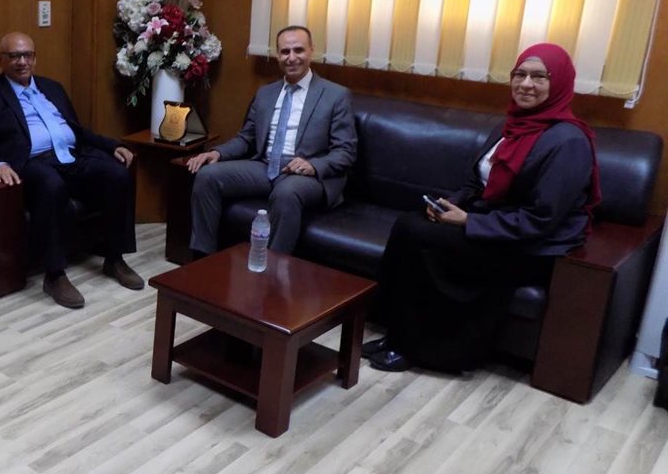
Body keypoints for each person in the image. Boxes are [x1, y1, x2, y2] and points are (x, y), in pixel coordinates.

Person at [365, 43, 601, 374]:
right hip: (495, 222)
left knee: (420, 235)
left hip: (530, 245)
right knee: (410, 223)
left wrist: (468, 222)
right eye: (520, 74)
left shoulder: (568, 142)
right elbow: (477, 183)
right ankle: (397, 332)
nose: (526, 84)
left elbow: (541, 219)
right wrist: (453, 204)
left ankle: (423, 349)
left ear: (560, 82)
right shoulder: (511, 126)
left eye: (539, 77)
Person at [0, 32, 142, 309]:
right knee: (51, 184)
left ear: (35, 58)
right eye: (14, 56)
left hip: (70, 156)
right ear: (0, 60)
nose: (22, 62)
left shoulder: (52, 87)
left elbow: (78, 131)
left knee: (117, 175)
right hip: (31, 163)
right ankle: (55, 274)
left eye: (27, 55)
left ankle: (114, 258)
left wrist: (112, 145)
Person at [187, 25, 357, 255]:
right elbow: (246, 138)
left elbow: (345, 152)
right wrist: (216, 153)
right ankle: (201, 257)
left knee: (286, 193)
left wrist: (313, 166)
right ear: (277, 55)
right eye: (285, 51)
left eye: (299, 50)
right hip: (265, 166)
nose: (292, 58)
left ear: (311, 51)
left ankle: (273, 267)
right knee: (207, 176)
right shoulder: (265, 93)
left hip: (306, 175)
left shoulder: (336, 95)